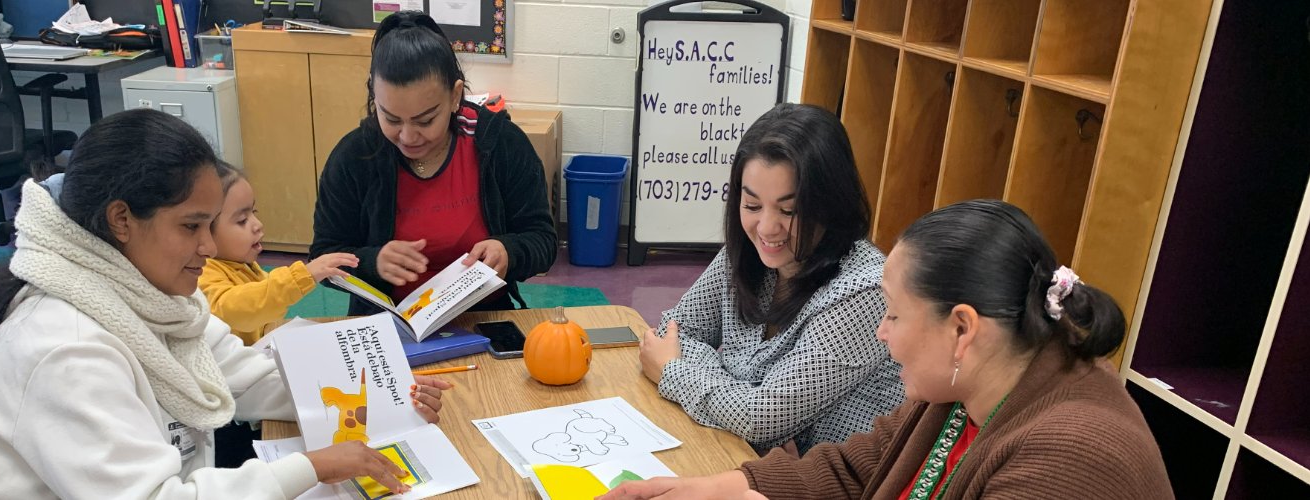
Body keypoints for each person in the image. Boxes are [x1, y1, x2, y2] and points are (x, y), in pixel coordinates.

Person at [0, 109, 453, 499]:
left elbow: (244, 377)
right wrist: (305, 469)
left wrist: (381, 396)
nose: (210, 248)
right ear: (122, 220)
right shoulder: (64, 347)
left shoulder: (147, 298)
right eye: (192, 226)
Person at [605, 200, 1172, 500]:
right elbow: (858, 469)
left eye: (895, 315)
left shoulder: (1072, 460)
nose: (882, 332)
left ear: (962, 328)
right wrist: (713, 489)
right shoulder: (968, 384)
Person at [639, 103, 903, 454]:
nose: (766, 228)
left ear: (831, 204)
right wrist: (735, 395)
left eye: (789, 210)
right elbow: (675, 330)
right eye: (751, 205)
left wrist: (674, 371)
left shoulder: (866, 291)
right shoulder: (749, 251)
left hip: (837, 484)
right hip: (751, 457)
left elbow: (761, 420)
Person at [310, 11, 555, 315]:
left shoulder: (500, 144)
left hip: (483, 317)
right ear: (374, 93)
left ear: (455, 96)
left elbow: (543, 240)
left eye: (426, 120)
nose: (408, 136)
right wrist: (373, 263)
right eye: (391, 118)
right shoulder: (354, 157)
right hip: (387, 323)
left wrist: (509, 252)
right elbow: (323, 257)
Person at [199, 164, 359, 345]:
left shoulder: (241, 263)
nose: (257, 224)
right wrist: (300, 277)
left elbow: (267, 304)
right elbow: (234, 309)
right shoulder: (202, 273)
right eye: (242, 220)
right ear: (203, 232)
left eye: (254, 212)